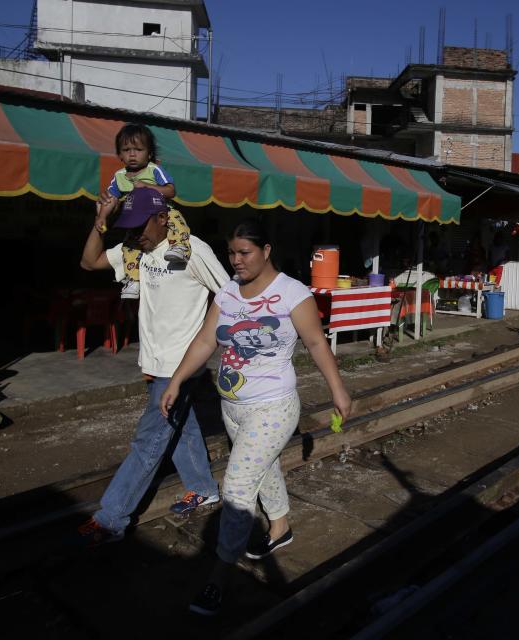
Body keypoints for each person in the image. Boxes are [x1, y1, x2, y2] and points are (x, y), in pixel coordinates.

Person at [159, 219, 352, 616]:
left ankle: (218, 576)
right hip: (233, 408)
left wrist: (338, 390)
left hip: (274, 406)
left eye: (244, 252)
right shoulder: (229, 291)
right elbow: (206, 340)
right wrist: (177, 380)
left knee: (237, 487)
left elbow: (316, 342)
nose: (236, 261)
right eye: (231, 252)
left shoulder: (291, 294)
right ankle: (280, 527)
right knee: (263, 470)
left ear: (266, 251)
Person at [77, 185, 231, 546]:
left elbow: (227, 295)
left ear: (163, 218)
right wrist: (101, 222)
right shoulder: (134, 251)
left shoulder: (191, 250)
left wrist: (205, 342)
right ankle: (203, 488)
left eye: (140, 225)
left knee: (148, 442)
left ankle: (111, 518)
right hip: (155, 361)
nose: (134, 234)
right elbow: (89, 262)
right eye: (128, 226)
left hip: (181, 365)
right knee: (182, 426)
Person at [100, 123, 192, 269]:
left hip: (163, 213)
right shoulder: (119, 176)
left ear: (149, 154)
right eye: (126, 150)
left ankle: (180, 248)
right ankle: (132, 279)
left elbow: (171, 191)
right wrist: (102, 217)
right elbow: (110, 199)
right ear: (120, 155)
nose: (132, 154)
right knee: (129, 246)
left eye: (138, 149)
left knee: (178, 222)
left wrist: (148, 185)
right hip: (136, 219)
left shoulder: (154, 170)